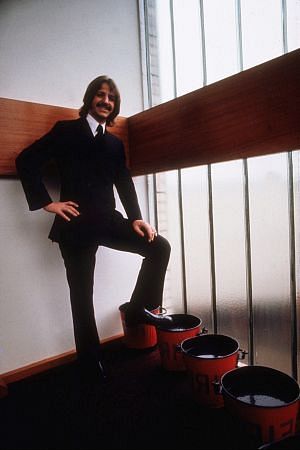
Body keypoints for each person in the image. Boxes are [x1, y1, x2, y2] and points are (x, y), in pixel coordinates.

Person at [15, 75, 172, 380]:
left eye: (111, 98)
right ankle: (89, 362)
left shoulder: (114, 143)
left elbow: (123, 181)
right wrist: (48, 204)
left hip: (108, 219)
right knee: (82, 296)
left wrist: (137, 217)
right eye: (100, 95)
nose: (106, 101)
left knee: (159, 247)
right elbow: (26, 161)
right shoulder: (65, 131)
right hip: (75, 224)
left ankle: (141, 307)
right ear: (90, 99)